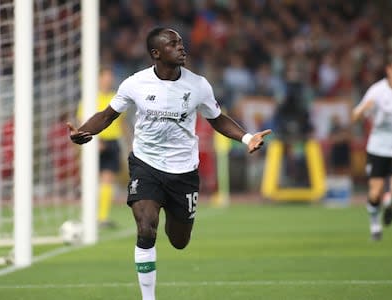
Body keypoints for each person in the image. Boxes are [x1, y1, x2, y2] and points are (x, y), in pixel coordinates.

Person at [67, 28, 271, 300]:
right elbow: (107, 116)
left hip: (183, 170)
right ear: (156, 53)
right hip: (145, 164)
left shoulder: (198, 85)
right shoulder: (134, 84)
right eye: (173, 44)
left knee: (179, 240)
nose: (181, 48)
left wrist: (246, 137)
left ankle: (172, 213)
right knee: (145, 226)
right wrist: (84, 131)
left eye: (181, 43)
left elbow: (217, 118)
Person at [351, 52, 392, 241]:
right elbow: (354, 117)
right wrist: (364, 109)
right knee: (375, 192)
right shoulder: (376, 91)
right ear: (388, 70)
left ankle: (389, 201)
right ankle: (375, 225)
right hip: (377, 147)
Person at [76, 66, 130, 227]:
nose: (108, 80)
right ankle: (86, 214)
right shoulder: (89, 98)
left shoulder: (116, 98)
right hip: (93, 141)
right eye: (105, 77)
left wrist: (129, 143)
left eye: (110, 77)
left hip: (112, 142)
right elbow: (81, 121)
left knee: (108, 179)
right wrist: (91, 139)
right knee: (89, 179)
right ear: (99, 79)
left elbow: (122, 123)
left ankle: (102, 217)